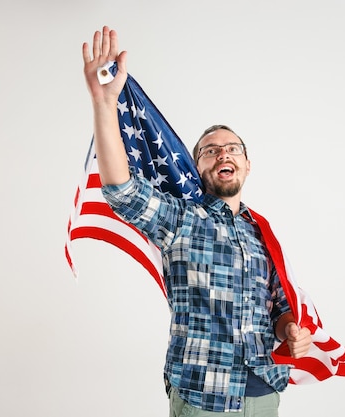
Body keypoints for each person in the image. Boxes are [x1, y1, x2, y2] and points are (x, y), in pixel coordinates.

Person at [82, 26, 312, 416]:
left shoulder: (262, 233)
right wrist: (105, 104)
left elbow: (276, 309)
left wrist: (289, 328)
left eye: (232, 148)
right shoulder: (182, 220)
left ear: (246, 164)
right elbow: (122, 191)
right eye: (210, 150)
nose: (223, 153)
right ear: (200, 166)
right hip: (203, 395)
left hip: (264, 393)